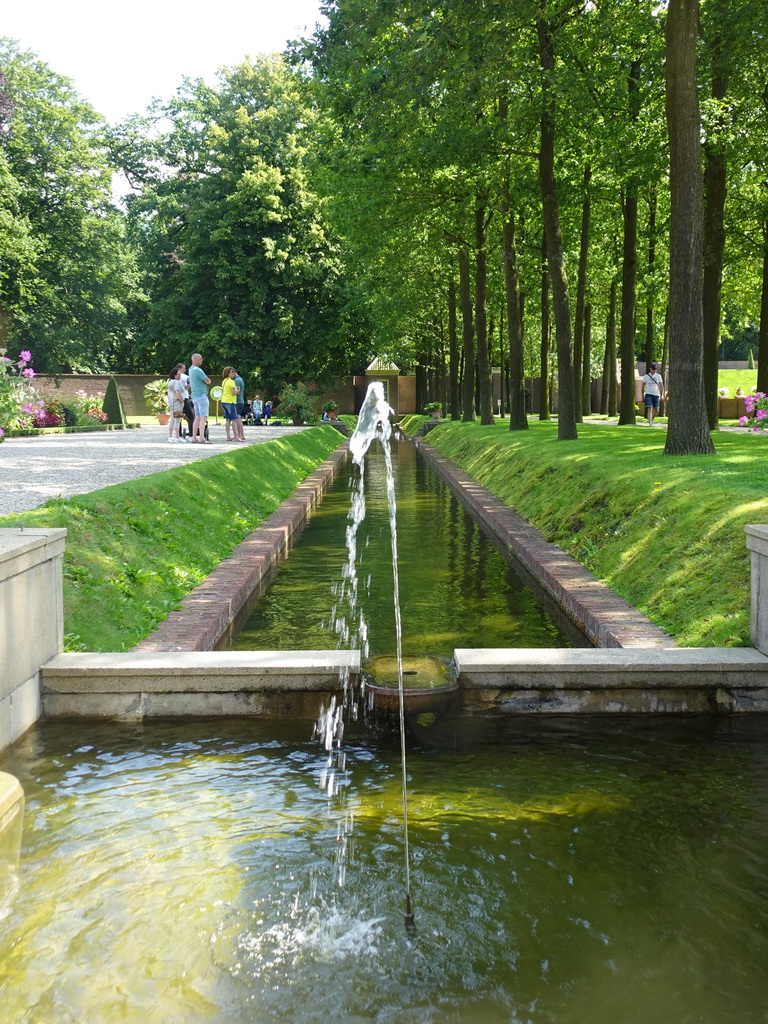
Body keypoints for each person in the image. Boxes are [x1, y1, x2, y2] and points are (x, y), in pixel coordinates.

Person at [189, 353, 212, 443]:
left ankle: (194, 437)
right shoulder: (198, 370)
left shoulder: (191, 370)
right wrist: (208, 381)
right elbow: (208, 381)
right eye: (200, 358)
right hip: (201, 396)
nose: (202, 360)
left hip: (194, 396)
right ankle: (202, 438)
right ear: (195, 360)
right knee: (203, 417)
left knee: (197, 417)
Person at [220, 366, 241, 441]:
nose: (234, 373)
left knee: (228, 420)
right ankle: (236, 437)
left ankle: (228, 436)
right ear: (228, 373)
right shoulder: (231, 382)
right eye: (232, 372)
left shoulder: (224, 381)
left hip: (224, 401)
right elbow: (233, 393)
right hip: (230, 402)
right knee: (234, 419)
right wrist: (238, 391)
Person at [641, 362, 664, 426]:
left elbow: (661, 385)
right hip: (648, 394)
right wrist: (642, 396)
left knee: (657, 410)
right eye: (653, 369)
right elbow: (642, 387)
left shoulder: (658, 376)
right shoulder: (646, 376)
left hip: (656, 394)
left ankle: (651, 420)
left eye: (655, 369)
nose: (654, 371)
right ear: (650, 369)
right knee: (650, 408)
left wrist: (662, 395)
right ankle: (650, 423)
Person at [175, 362, 194, 438]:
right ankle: (191, 434)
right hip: (183, 399)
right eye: (184, 368)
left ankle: (178, 434)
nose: (185, 370)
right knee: (191, 417)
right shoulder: (183, 376)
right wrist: (189, 385)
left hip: (176, 399)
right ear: (179, 369)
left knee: (178, 417)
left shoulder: (174, 378)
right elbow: (190, 380)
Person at [166, 368, 185, 442]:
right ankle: (177, 436)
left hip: (171, 403)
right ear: (175, 375)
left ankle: (170, 436)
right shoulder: (177, 382)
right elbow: (178, 392)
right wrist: (181, 400)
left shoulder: (170, 382)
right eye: (178, 374)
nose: (180, 375)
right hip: (177, 403)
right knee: (177, 419)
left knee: (172, 420)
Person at [233, 368, 246, 441]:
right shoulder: (240, 379)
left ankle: (240, 435)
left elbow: (238, 391)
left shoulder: (236, 380)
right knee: (239, 417)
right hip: (240, 401)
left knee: (237, 418)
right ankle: (241, 434)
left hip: (237, 401)